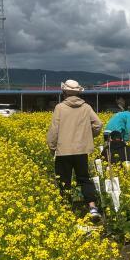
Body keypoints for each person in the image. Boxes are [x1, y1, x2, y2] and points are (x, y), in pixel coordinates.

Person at [46, 79, 103, 222]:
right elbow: (98, 124)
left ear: (65, 91)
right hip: (81, 151)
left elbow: (54, 130)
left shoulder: (60, 107)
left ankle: (66, 209)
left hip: (63, 151)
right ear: (78, 93)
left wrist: (52, 147)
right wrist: (89, 136)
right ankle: (92, 207)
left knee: (64, 181)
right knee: (84, 179)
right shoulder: (86, 107)